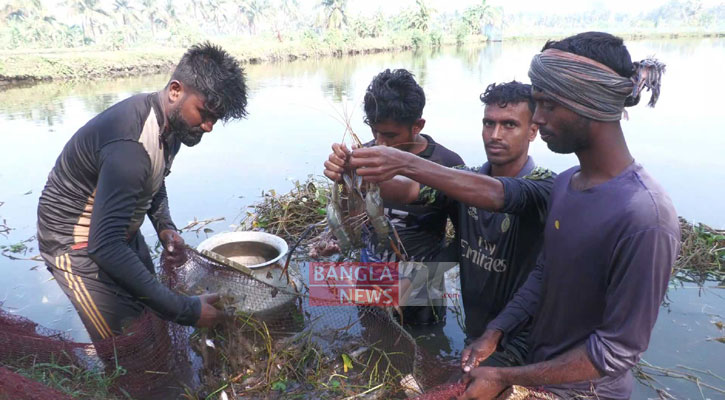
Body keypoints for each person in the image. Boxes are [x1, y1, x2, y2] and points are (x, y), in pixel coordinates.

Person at [450, 32, 678, 399]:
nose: (537, 118)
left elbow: (614, 351)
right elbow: (545, 273)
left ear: (587, 101)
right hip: (537, 374)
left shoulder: (645, 217)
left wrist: (507, 376)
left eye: (547, 104)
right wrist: (496, 331)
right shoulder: (566, 184)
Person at [324, 81, 554, 366]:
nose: (495, 135)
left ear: (533, 130)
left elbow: (498, 193)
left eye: (509, 125)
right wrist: (351, 172)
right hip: (474, 330)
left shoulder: (546, 185)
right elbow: (409, 190)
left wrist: (405, 163)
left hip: (521, 338)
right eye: (488, 123)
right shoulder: (460, 177)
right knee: (377, 340)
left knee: (429, 344)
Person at [36, 42, 248, 341]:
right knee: (124, 341)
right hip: (76, 242)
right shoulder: (130, 144)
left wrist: (165, 227)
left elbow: (154, 177)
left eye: (216, 119)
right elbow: (104, 246)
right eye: (204, 113)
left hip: (115, 226)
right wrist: (187, 311)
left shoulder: (172, 125)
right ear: (176, 90)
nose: (209, 126)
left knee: (149, 309)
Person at [317, 68, 464, 326]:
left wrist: (420, 278)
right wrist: (343, 181)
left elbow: (465, 240)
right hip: (370, 278)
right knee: (371, 335)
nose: (380, 144)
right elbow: (355, 217)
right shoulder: (366, 154)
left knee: (424, 348)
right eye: (376, 132)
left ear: (417, 126)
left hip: (421, 290)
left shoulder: (446, 165)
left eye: (391, 136)